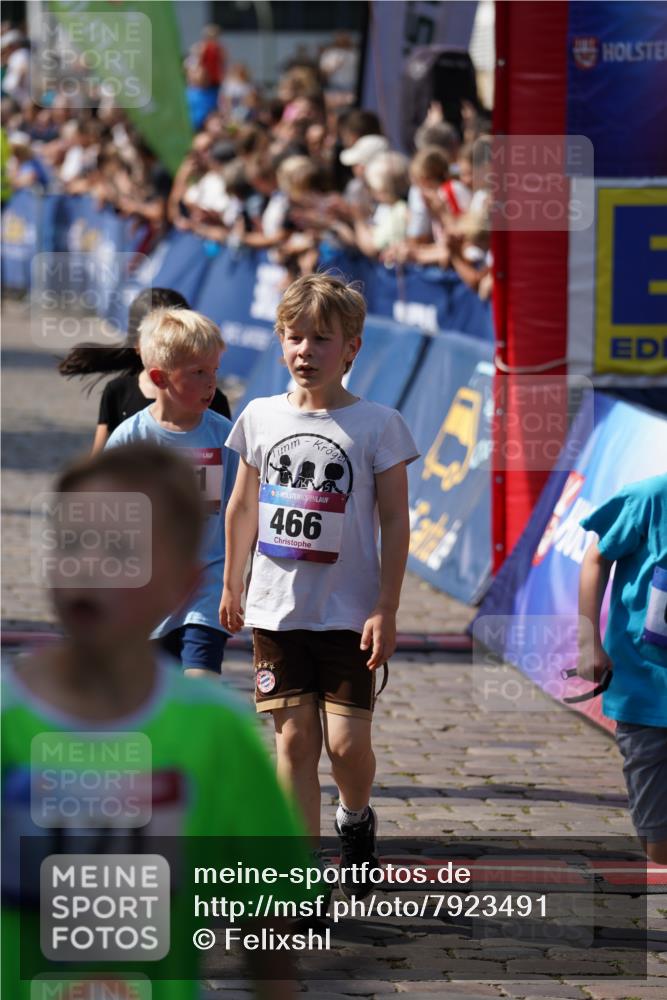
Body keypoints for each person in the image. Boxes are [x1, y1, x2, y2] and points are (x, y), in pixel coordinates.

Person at [1, 442, 309, 1000]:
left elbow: (271, 906)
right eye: (71, 544)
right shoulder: (5, 719)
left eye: (121, 551)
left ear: (183, 587)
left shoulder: (216, 732)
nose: (87, 566)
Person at [220, 273, 419, 897]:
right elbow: (242, 507)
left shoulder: (378, 425)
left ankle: (355, 818)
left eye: (321, 339)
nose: (305, 350)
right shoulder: (258, 416)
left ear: (352, 347)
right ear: (280, 342)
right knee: (295, 740)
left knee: (346, 742)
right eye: (294, 337)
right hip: (277, 611)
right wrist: (232, 584)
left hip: (349, 612)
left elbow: (394, 519)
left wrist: (386, 608)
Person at [107, 308, 238, 679]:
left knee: (200, 685)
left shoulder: (224, 437)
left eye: (214, 370)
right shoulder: (130, 440)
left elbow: (241, 509)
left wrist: (238, 578)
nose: (212, 382)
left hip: (207, 590)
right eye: (199, 372)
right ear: (159, 377)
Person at [577, 473, 667, 864]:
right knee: (658, 841)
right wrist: (588, 642)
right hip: (647, 689)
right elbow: (597, 558)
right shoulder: (649, 497)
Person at [58, 287, 231, 452]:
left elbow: (233, 469)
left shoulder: (215, 404)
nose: (210, 381)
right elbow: (100, 463)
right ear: (138, 343)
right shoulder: (119, 394)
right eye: (199, 372)